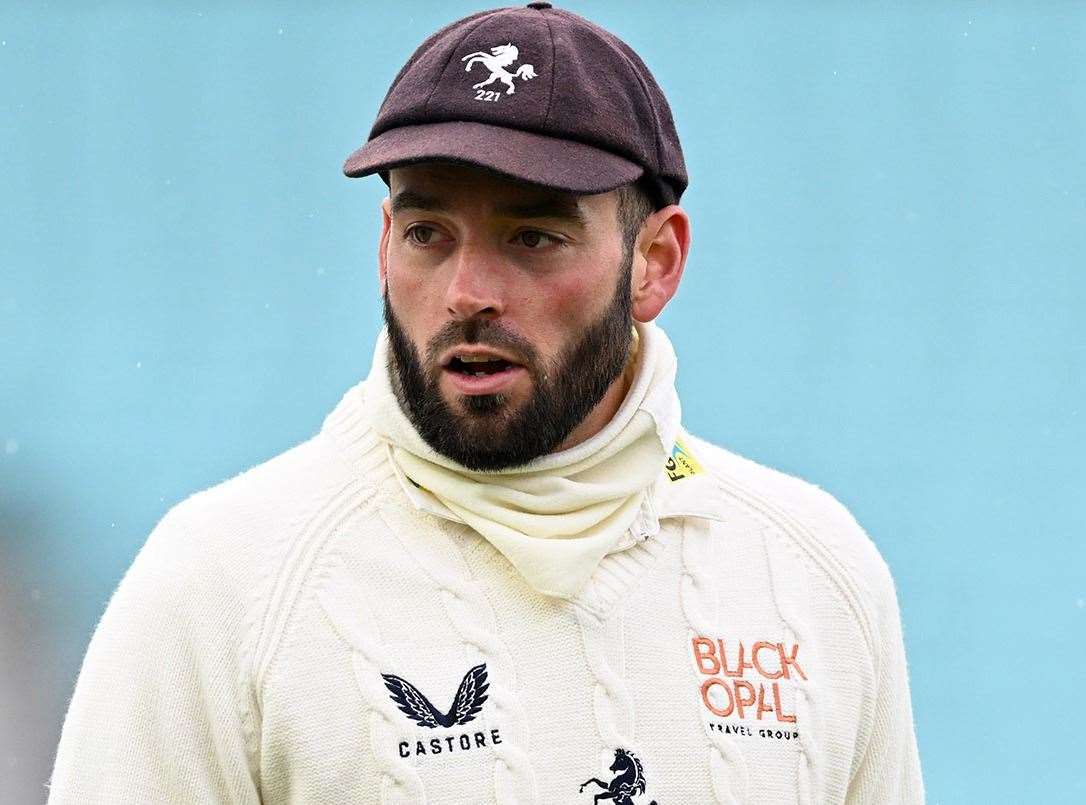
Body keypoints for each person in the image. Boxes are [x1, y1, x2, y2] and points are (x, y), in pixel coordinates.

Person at [47, 3, 924, 803]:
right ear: (385, 243)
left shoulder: (815, 572)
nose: (466, 291)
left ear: (655, 261)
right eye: (429, 232)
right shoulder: (220, 579)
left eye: (534, 234)